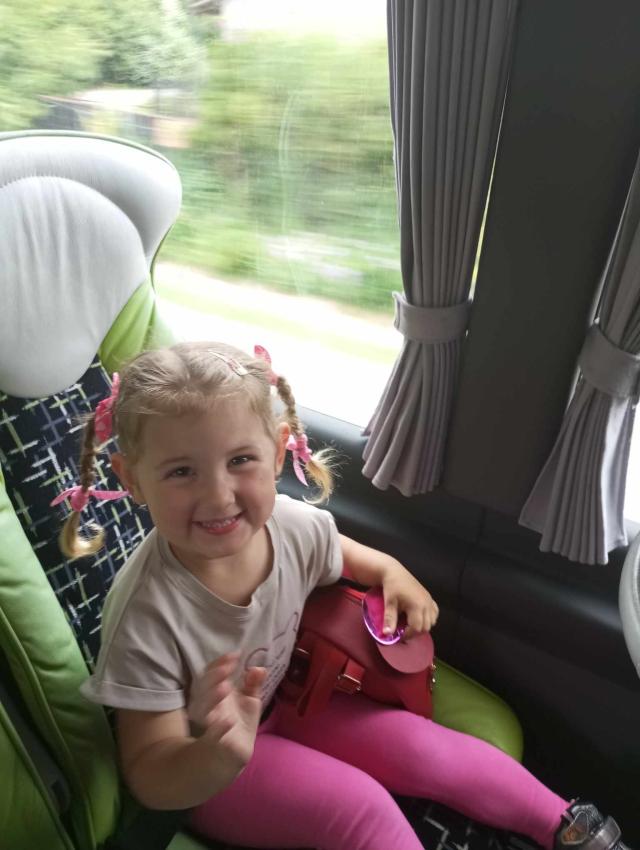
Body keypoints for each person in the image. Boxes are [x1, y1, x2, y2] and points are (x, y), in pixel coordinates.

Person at [58, 341, 630, 850]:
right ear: (132, 479)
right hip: (211, 765)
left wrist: (394, 573)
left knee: (425, 749)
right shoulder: (147, 615)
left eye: (240, 461)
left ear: (277, 454)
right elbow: (150, 772)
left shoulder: (290, 526)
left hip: (291, 699)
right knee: (361, 809)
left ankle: (571, 828)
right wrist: (213, 755)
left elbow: (348, 555)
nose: (218, 495)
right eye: (181, 472)